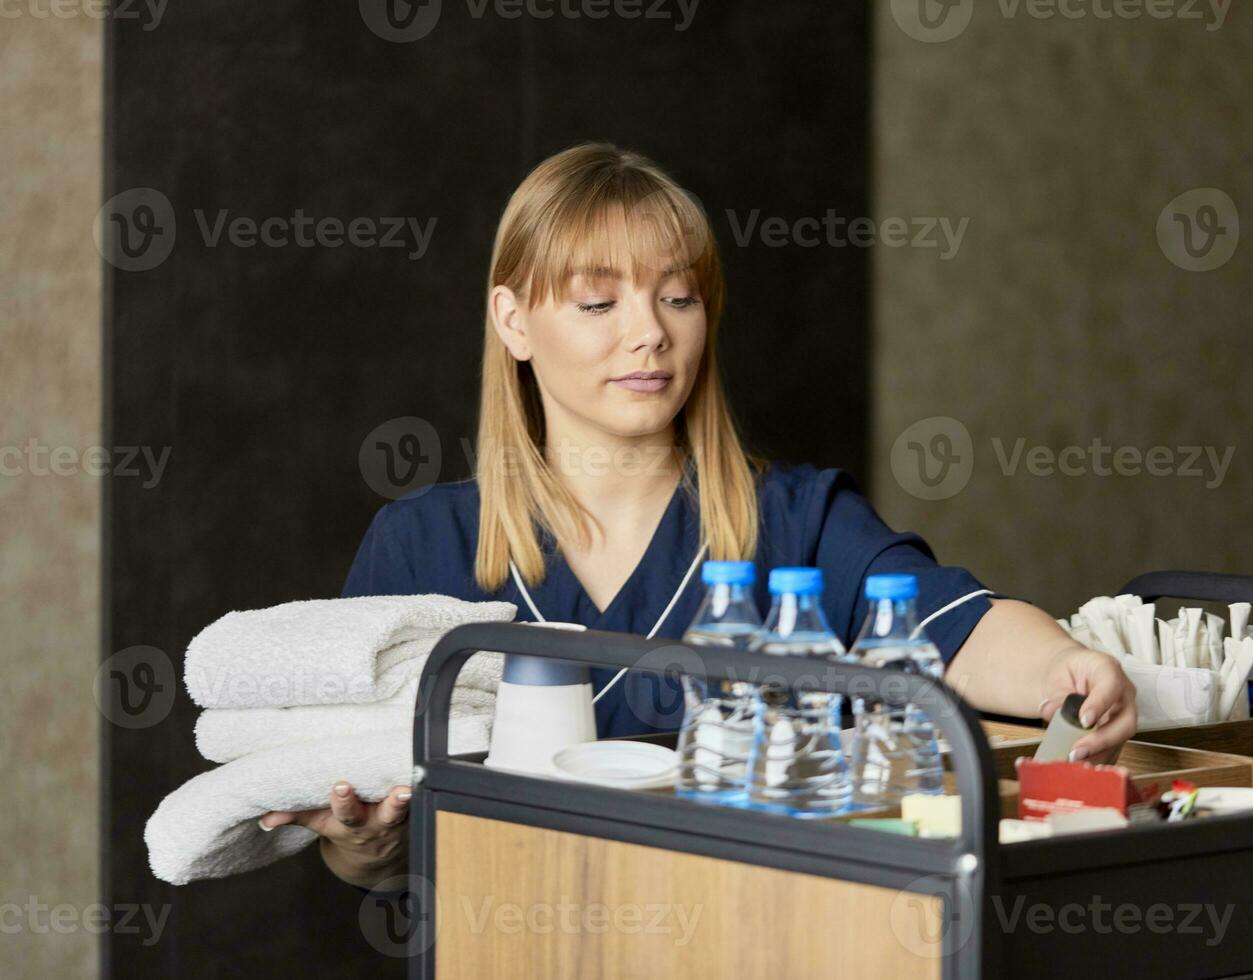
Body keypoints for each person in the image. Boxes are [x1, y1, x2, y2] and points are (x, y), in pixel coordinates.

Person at [257, 143, 1138, 888]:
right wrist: (365, 845)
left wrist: (1066, 663)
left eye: (676, 297)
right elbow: (364, 844)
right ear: (514, 321)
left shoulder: (797, 522)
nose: (648, 333)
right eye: (599, 302)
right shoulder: (421, 547)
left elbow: (966, 633)